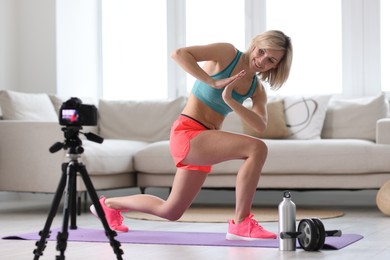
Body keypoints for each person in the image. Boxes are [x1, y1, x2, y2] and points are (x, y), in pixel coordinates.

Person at [90, 30, 293, 240]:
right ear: (255, 43)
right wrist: (212, 82)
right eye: (261, 52)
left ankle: (107, 205)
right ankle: (241, 223)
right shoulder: (227, 53)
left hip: (205, 141)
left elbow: (260, 124)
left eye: (270, 60)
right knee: (257, 148)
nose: (261, 61)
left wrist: (230, 100)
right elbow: (179, 53)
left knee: (171, 211)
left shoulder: (256, 89)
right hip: (187, 133)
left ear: (276, 66)